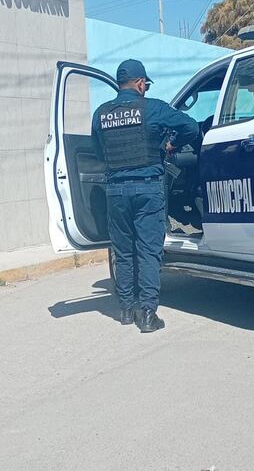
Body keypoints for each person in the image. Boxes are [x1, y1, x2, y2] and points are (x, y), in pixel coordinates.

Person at [92, 59, 199, 332]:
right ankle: (148, 314)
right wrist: (171, 144)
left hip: (115, 190)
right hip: (148, 188)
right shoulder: (153, 108)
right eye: (146, 85)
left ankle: (127, 311)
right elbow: (192, 128)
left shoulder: (101, 113)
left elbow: (96, 150)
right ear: (141, 84)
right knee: (149, 252)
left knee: (124, 252)